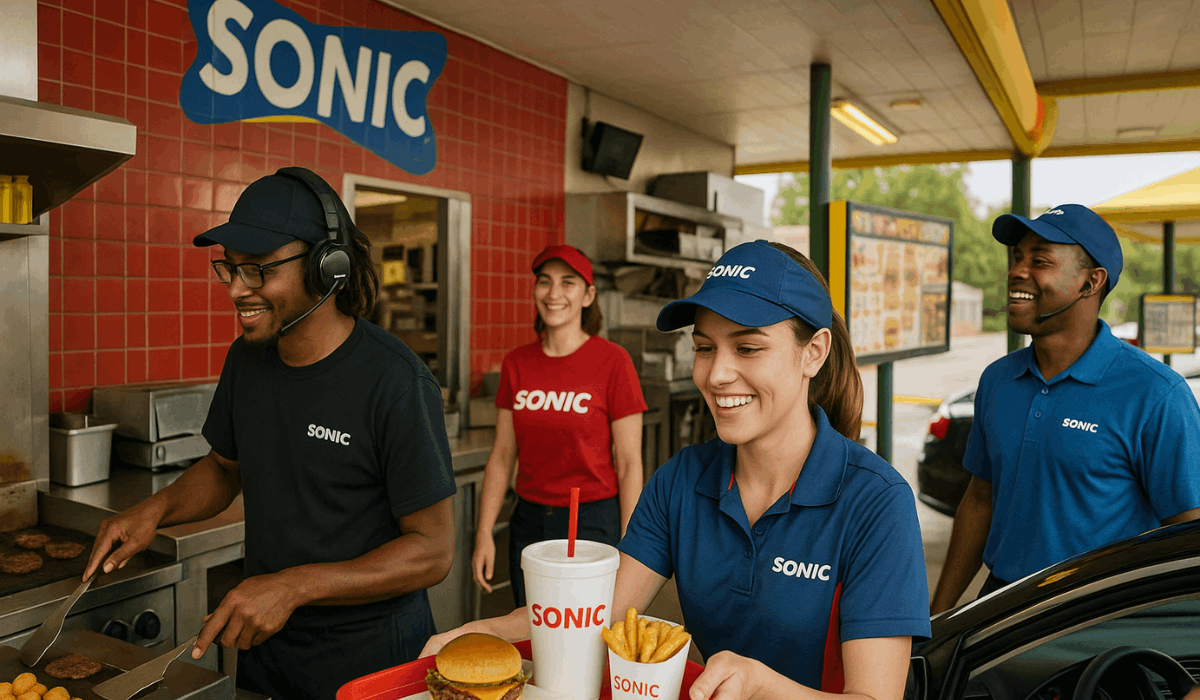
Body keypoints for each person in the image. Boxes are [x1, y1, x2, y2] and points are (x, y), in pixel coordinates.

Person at [432, 240, 931, 700]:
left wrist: (763, 686)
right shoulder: (682, 481)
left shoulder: (875, 502)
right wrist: (481, 633)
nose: (716, 375)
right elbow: (593, 612)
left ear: (813, 353)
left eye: (747, 348)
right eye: (704, 347)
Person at [83, 167, 458, 700]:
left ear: (326, 266)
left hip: (369, 660)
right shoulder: (247, 359)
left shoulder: (395, 382)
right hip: (267, 646)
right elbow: (224, 468)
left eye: (258, 269)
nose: (238, 289)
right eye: (231, 268)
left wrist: (293, 586)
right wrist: (155, 510)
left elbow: (432, 550)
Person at [931, 204, 1200, 614]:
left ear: (1091, 282)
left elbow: (1188, 536)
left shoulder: (1156, 394)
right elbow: (980, 499)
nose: (1017, 271)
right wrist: (937, 617)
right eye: (1017, 257)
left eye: (1040, 261)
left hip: (1098, 621)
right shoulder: (998, 381)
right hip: (1000, 609)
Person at [473, 245, 646, 607]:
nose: (554, 293)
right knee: (532, 624)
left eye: (568, 282)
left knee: (588, 626)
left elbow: (629, 463)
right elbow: (502, 457)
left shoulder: (613, 362)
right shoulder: (517, 363)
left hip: (592, 520)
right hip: (528, 519)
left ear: (588, 296)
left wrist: (632, 546)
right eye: (545, 281)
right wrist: (484, 532)